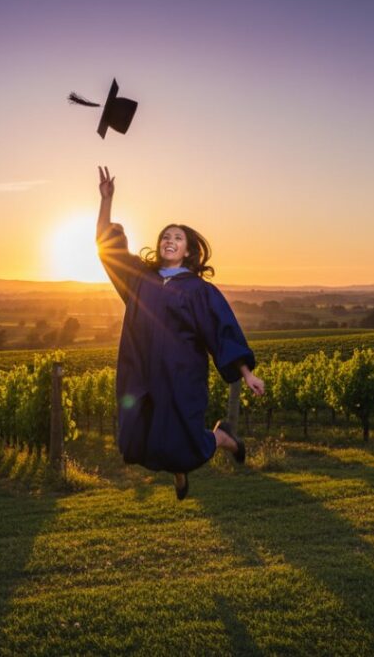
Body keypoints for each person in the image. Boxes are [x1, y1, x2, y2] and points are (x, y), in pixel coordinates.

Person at [95, 166, 266, 500]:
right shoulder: (139, 279)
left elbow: (222, 328)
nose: (168, 240)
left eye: (177, 237)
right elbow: (106, 247)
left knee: (183, 440)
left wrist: (246, 373)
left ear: (188, 251)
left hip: (181, 375)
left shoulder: (199, 290)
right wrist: (106, 201)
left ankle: (222, 438)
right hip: (141, 372)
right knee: (137, 441)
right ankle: (178, 469)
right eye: (165, 236)